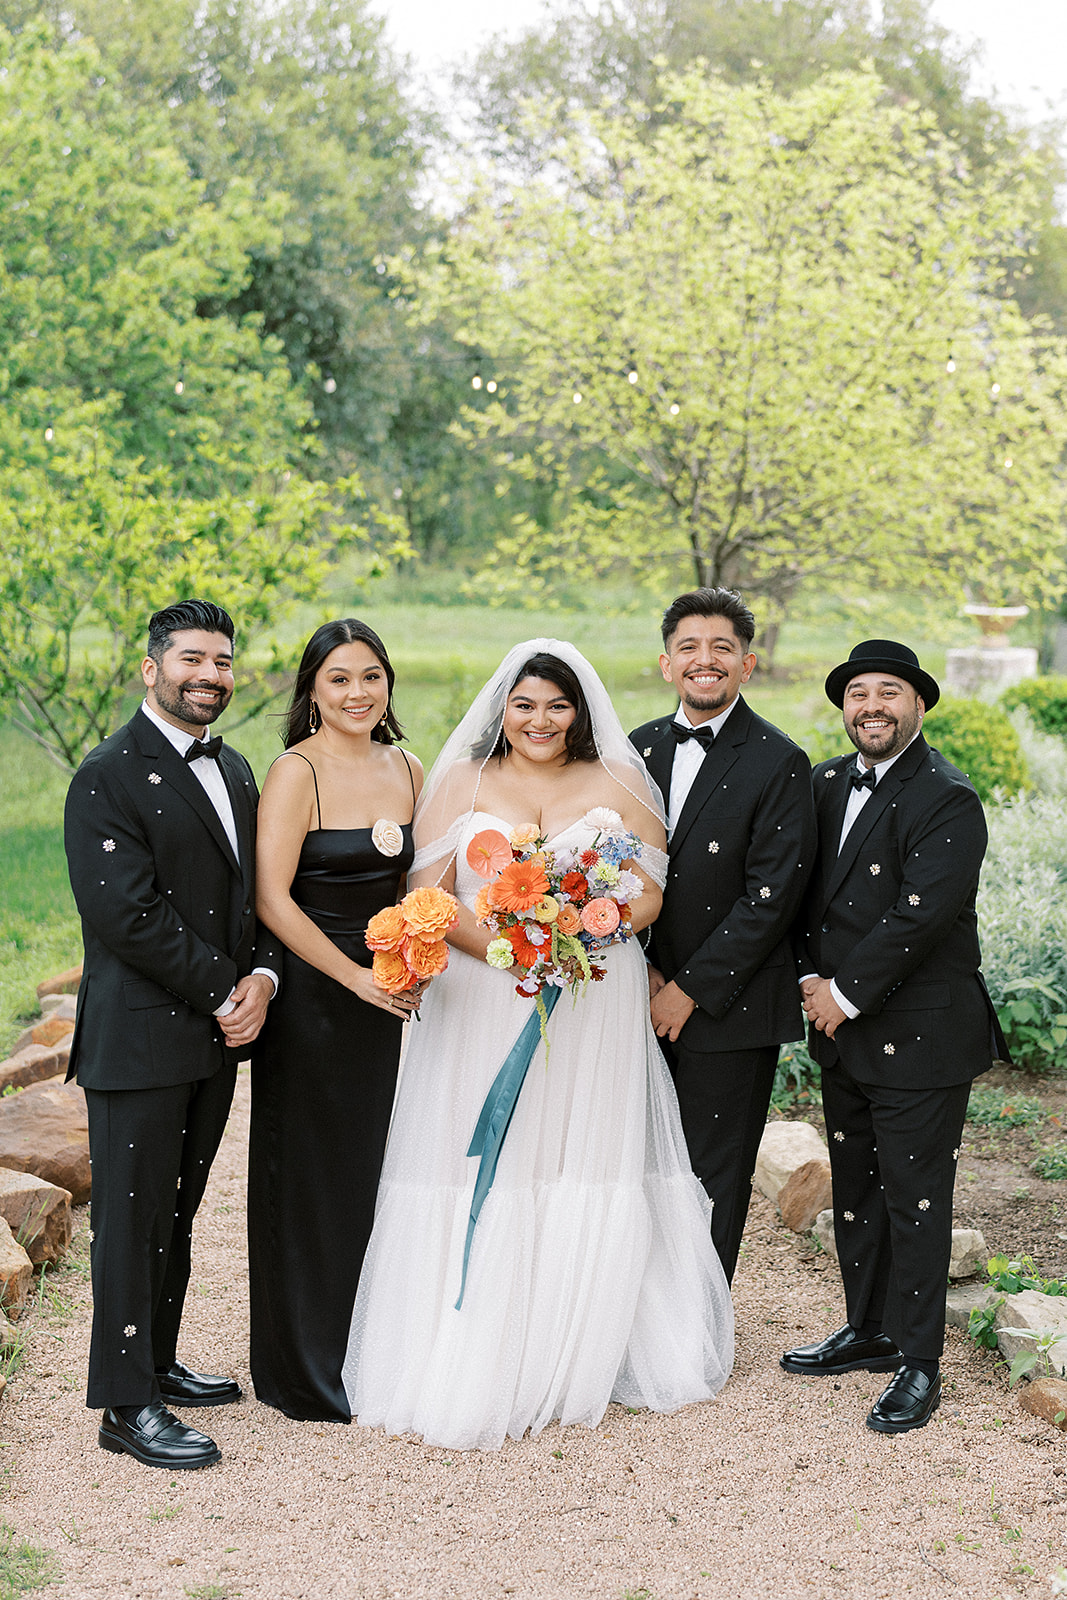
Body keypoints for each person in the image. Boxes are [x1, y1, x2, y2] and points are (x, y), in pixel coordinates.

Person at [342, 640, 733, 1449]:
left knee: (579, 1153)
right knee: (484, 1152)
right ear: (502, 709)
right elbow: (428, 896)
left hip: (592, 994)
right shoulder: (462, 782)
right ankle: (476, 1338)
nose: (540, 721)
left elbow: (653, 893)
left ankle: (582, 1341)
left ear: (580, 712)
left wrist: (588, 925)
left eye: (556, 706)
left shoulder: (618, 782)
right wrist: (512, 950)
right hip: (485, 996)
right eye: (524, 705)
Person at [64, 600, 281, 1471]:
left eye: (223, 661)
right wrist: (231, 987)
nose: (211, 675)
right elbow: (126, 915)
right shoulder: (105, 775)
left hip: (212, 1036)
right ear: (152, 669)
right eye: (193, 658)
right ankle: (123, 1407)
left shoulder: (233, 770)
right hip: (139, 1039)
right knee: (129, 1215)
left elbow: (256, 895)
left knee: (177, 1210)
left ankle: (152, 1363)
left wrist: (264, 977)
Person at [781, 639, 1008, 1434]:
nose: (870, 707)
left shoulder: (946, 795)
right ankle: (870, 1330)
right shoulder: (824, 782)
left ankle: (919, 1363)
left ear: (917, 705)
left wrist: (841, 991)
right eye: (857, 695)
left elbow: (920, 914)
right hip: (840, 1027)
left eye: (887, 693)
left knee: (914, 1200)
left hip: (920, 1036)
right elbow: (800, 893)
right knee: (859, 1192)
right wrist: (810, 978)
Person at [247, 619, 423, 1422]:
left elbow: (422, 886)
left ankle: (373, 1349)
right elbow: (271, 898)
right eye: (340, 678)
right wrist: (352, 975)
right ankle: (303, 1366)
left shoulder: (410, 767)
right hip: (320, 995)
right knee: (313, 1178)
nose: (359, 693)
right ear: (312, 690)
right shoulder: (296, 771)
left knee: (382, 1172)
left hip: (394, 994)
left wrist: (415, 965)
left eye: (371, 677)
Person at [629, 589, 816, 1283]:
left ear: (747, 664)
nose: (703, 661)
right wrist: (640, 968)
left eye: (720, 649)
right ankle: (633, 1322)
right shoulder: (632, 749)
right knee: (637, 1163)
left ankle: (697, 1337)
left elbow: (769, 900)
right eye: (689, 648)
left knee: (710, 1172)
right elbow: (606, 869)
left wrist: (686, 990)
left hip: (730, 1006)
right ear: (665, 663)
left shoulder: (778, 759)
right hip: (633, 991)